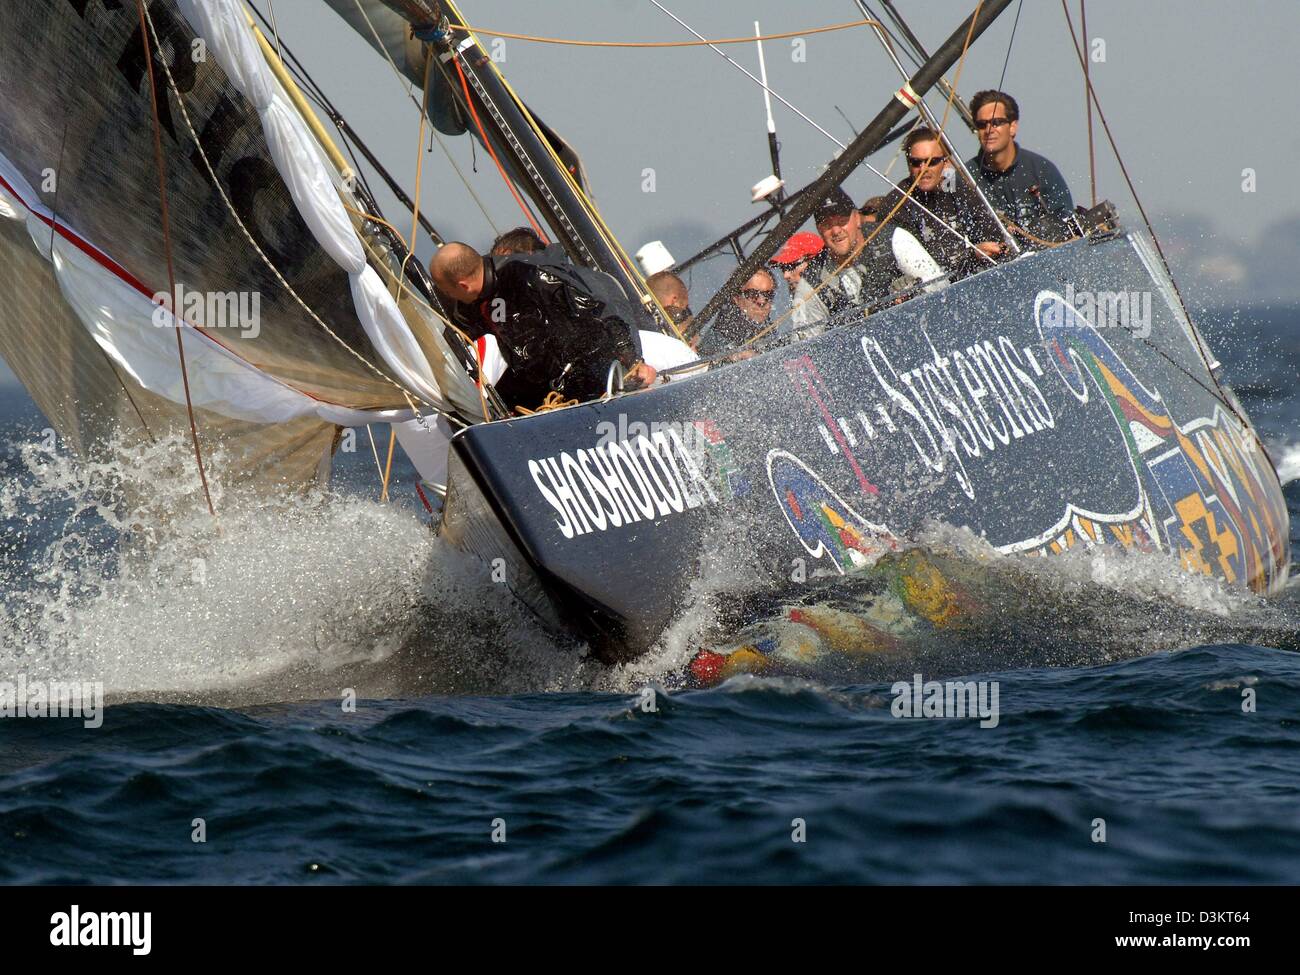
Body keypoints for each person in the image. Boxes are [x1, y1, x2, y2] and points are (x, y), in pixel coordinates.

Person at [429, 242, 654, 410]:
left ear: (463, 285)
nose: (448, 296)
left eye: (446, 290)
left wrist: (633, 361)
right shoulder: (471, 309)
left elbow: (600, 313)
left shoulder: (530, 276)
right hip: (541, 395)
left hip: (590, 380)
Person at [874, 127, 1006, 278]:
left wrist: (990, 248)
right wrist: (972, 255)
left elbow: (992, 233)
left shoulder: (959, 188)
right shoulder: (896, 205)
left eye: (932, 162)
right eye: (916, 162)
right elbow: (927, 271)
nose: (923, 169)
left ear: (946, 162)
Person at [965, 90, 1076, 242]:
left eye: (996, 122)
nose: (989, 130)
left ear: (1012, 127)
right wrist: (977, 252)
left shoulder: (1042, 170)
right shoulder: (964, 178)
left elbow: (1068, 226)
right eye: (982, 125)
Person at [799, 186, 894, 316]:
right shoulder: (811, 282)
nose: (836, 231)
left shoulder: (893, 239)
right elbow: (807, 336)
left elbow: (931, 289)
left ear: (857, 218)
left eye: (842, 221)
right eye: (827, 225)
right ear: (819, 230)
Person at [695, 268, 778, 356]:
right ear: (736, 298)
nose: (761, 301)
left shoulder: (770, 329)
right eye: (753, 294)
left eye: (768, 294)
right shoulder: (718, 338)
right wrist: (733, 357)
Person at [769, 231, 830, 330]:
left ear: (814, 263)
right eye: (783, 268)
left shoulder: (804, 294)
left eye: (791, 266)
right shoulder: (783, 301)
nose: (785, 275)